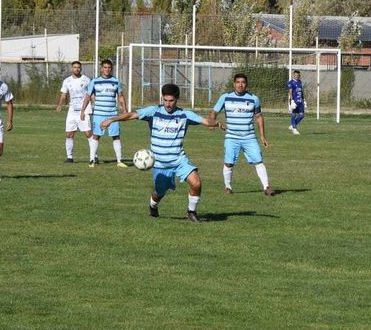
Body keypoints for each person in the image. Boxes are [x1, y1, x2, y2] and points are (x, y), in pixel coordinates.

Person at [101, 84, 223, 222]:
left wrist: (217, 123)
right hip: (159, 164)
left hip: (179, 160)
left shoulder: (185, 114)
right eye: (165, 100)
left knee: (196, 183)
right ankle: (153, 206)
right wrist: (111, 119)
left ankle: (191, 211)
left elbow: (206, 121)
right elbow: (131, 115)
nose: (168, 104)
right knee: (159, 193)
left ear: (177, 99)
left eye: (171, 101)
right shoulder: (154, 111)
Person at [209, 73, 275, 196]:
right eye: (238, 82)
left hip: (249, 137)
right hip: (231, 137)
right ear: (234, 84)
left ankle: (267, 187)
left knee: (259, 160)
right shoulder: (225, 97)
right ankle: (228, 187)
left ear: (246, 84)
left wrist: (262, 136)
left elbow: (259, 117)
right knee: (229, 163)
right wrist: (213, 124)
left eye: (243, 82)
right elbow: (214, 112)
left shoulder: (253, 99)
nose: (240, 85)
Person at [79, 59, 128, 168]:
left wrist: (124, 109)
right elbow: (87, 97)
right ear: (101, 68)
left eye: (109, 67)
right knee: (96, 136)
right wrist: (82, 111)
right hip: (99, 114)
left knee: (116, 136)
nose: (107, 69)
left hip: (113, 114)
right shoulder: (94, 81)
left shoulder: (116, 81)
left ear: (111, 69)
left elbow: (120, 96)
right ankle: (92, 160)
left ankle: (119, 161)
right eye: (105, 67)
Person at [56, 61, 92, 162]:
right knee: (69, 134)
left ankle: (94, 156)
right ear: (72, 68)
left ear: (81, 69)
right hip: (72, 111)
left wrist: (94, 105)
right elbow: (63, 95)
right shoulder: (67, 81)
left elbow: (91, 94)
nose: (76, 69)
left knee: (88, 133)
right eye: (75, 67)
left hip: (84, 110)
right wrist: (60, 105)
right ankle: (69, 157)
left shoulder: (86, 80)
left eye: (78, 67)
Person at [287, 70, 305, 135]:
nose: (297, 76)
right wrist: (292, 101)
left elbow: (301, 91)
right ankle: (294, 129)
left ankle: (292, 126)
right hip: (294, 101)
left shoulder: (300, 82)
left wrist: (304, 100)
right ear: (293, 75)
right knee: (293, 114)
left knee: (301, 115)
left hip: (300, 101)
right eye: (295, 75)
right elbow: (290, 92)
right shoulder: (290, 82)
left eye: (298, 75)